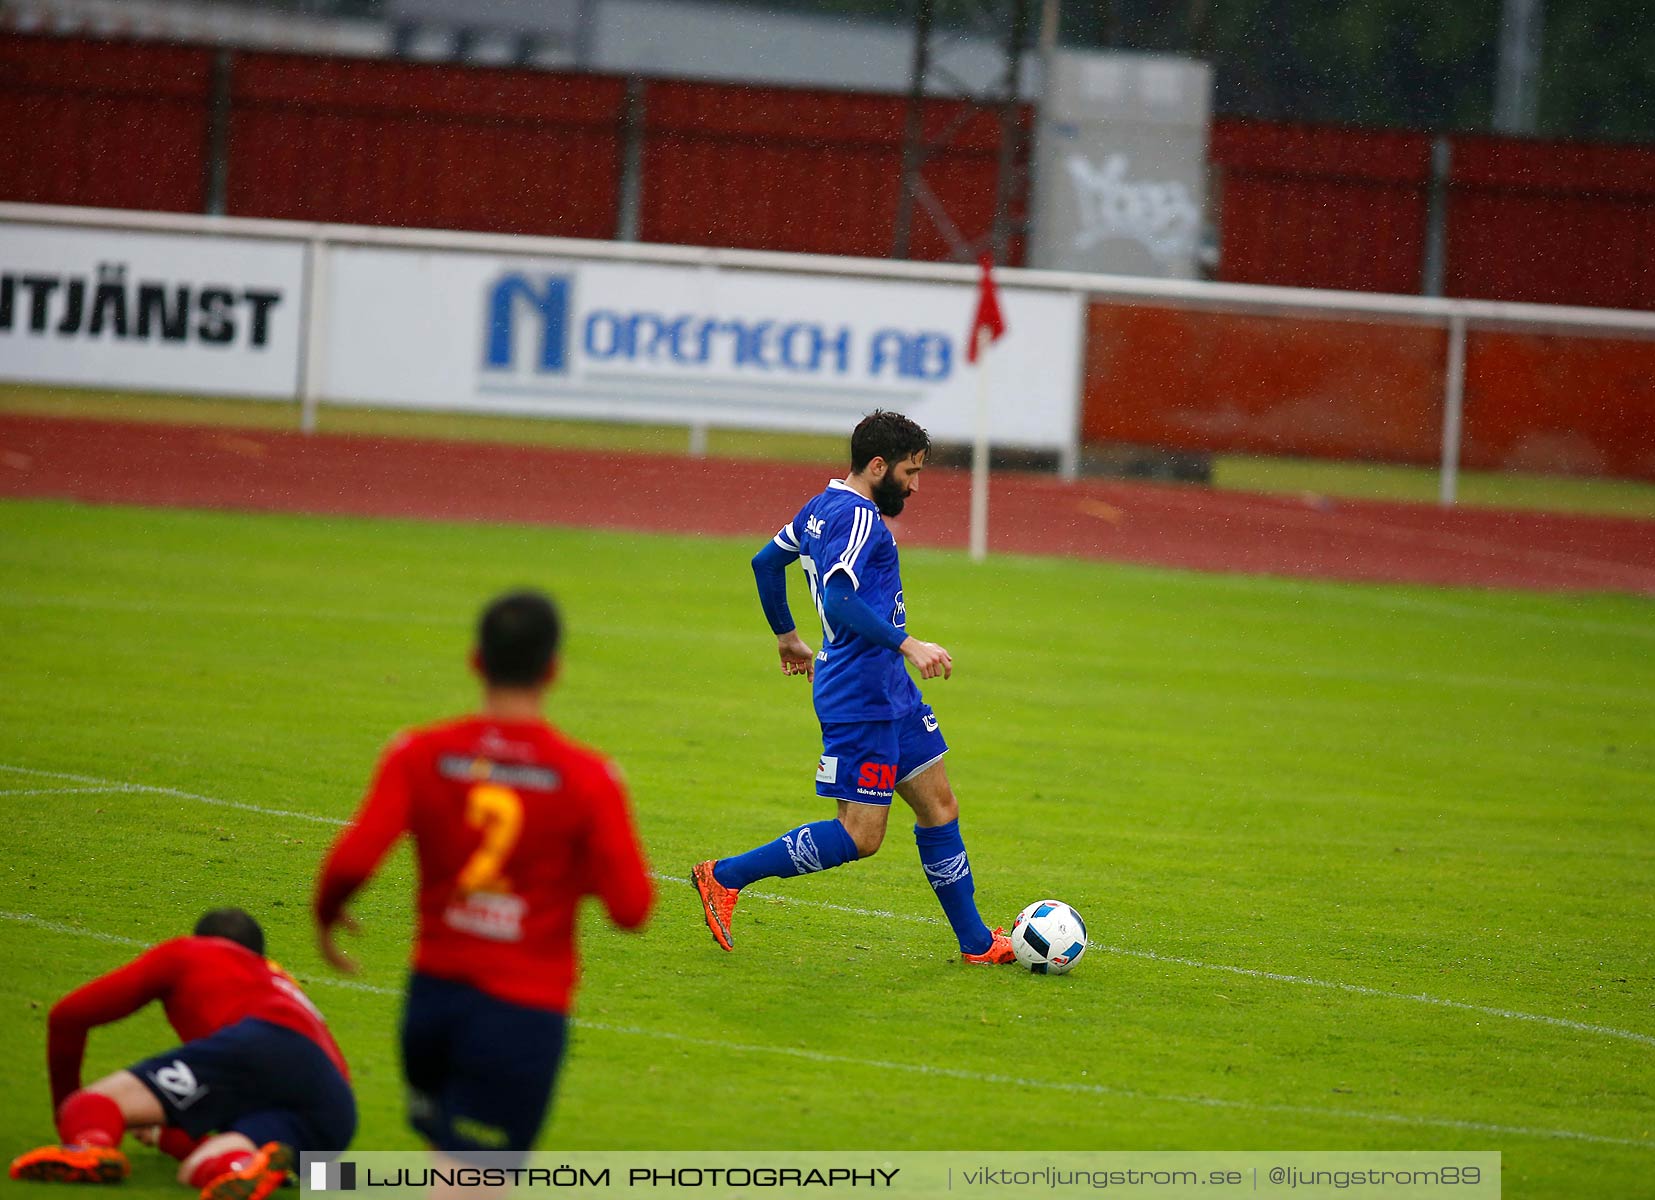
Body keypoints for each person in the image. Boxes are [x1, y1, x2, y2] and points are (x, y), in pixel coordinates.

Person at [313, 589, 653, 1165]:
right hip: (520, 1017)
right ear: (553, 669)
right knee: (476, 1179)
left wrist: (326, 917)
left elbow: (350, 861)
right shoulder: (589, 778)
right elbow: (631, 909)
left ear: (476, 661)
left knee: (443, 1160)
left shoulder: (418, 752)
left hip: (431, 1004)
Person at [691, 409, 1014, 964]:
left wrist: (789, 638)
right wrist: (908, 644)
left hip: (889, 689)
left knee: (939, 806)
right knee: (862, 835)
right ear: (878, 465)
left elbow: (767, 563)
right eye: (910, 472)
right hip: (860, 694)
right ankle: (723, 876)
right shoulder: (859, 517)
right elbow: (840, 599)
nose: (915, 485)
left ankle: (978, 944)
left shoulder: (822, 506)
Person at [9, 908, 354, 1200]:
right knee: (197, 1168)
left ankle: (89, 1147)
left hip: (260, 1044)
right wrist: (164, 1132)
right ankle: (238, 1165)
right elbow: (221, 1096)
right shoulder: (282, 983)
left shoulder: (189, 953)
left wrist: (70, 1113)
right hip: (336, 1107)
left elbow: (68, 1016)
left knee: (94, 1104)